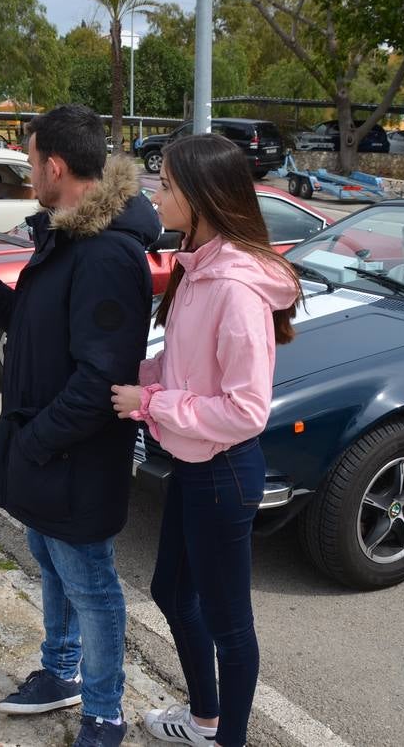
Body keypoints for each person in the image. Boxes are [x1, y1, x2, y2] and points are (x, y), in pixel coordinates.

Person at [0, 104, 158, 747]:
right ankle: (62, 672)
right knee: (50, 559)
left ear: (57, 166)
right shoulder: (67, 233)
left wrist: (35, 443)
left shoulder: (106, 253)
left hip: (72, 457)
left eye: (31, 162)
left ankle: (103, 712)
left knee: (91, 583)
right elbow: (45, 335)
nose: (28, 174)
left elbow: (100, 379)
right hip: (47, 451)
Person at [109, 135, 301, 747]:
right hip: (194, 468)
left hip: (223, 473)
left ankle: (227, 738)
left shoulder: (235, 288)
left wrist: (153, 404)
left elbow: (245, 410)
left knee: (229, 625)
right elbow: (187, 367)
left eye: (164, 184)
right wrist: (138, 379)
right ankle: (205, 717)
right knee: (170, 590)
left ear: (202, 196)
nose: (153, 193)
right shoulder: (199, 267)